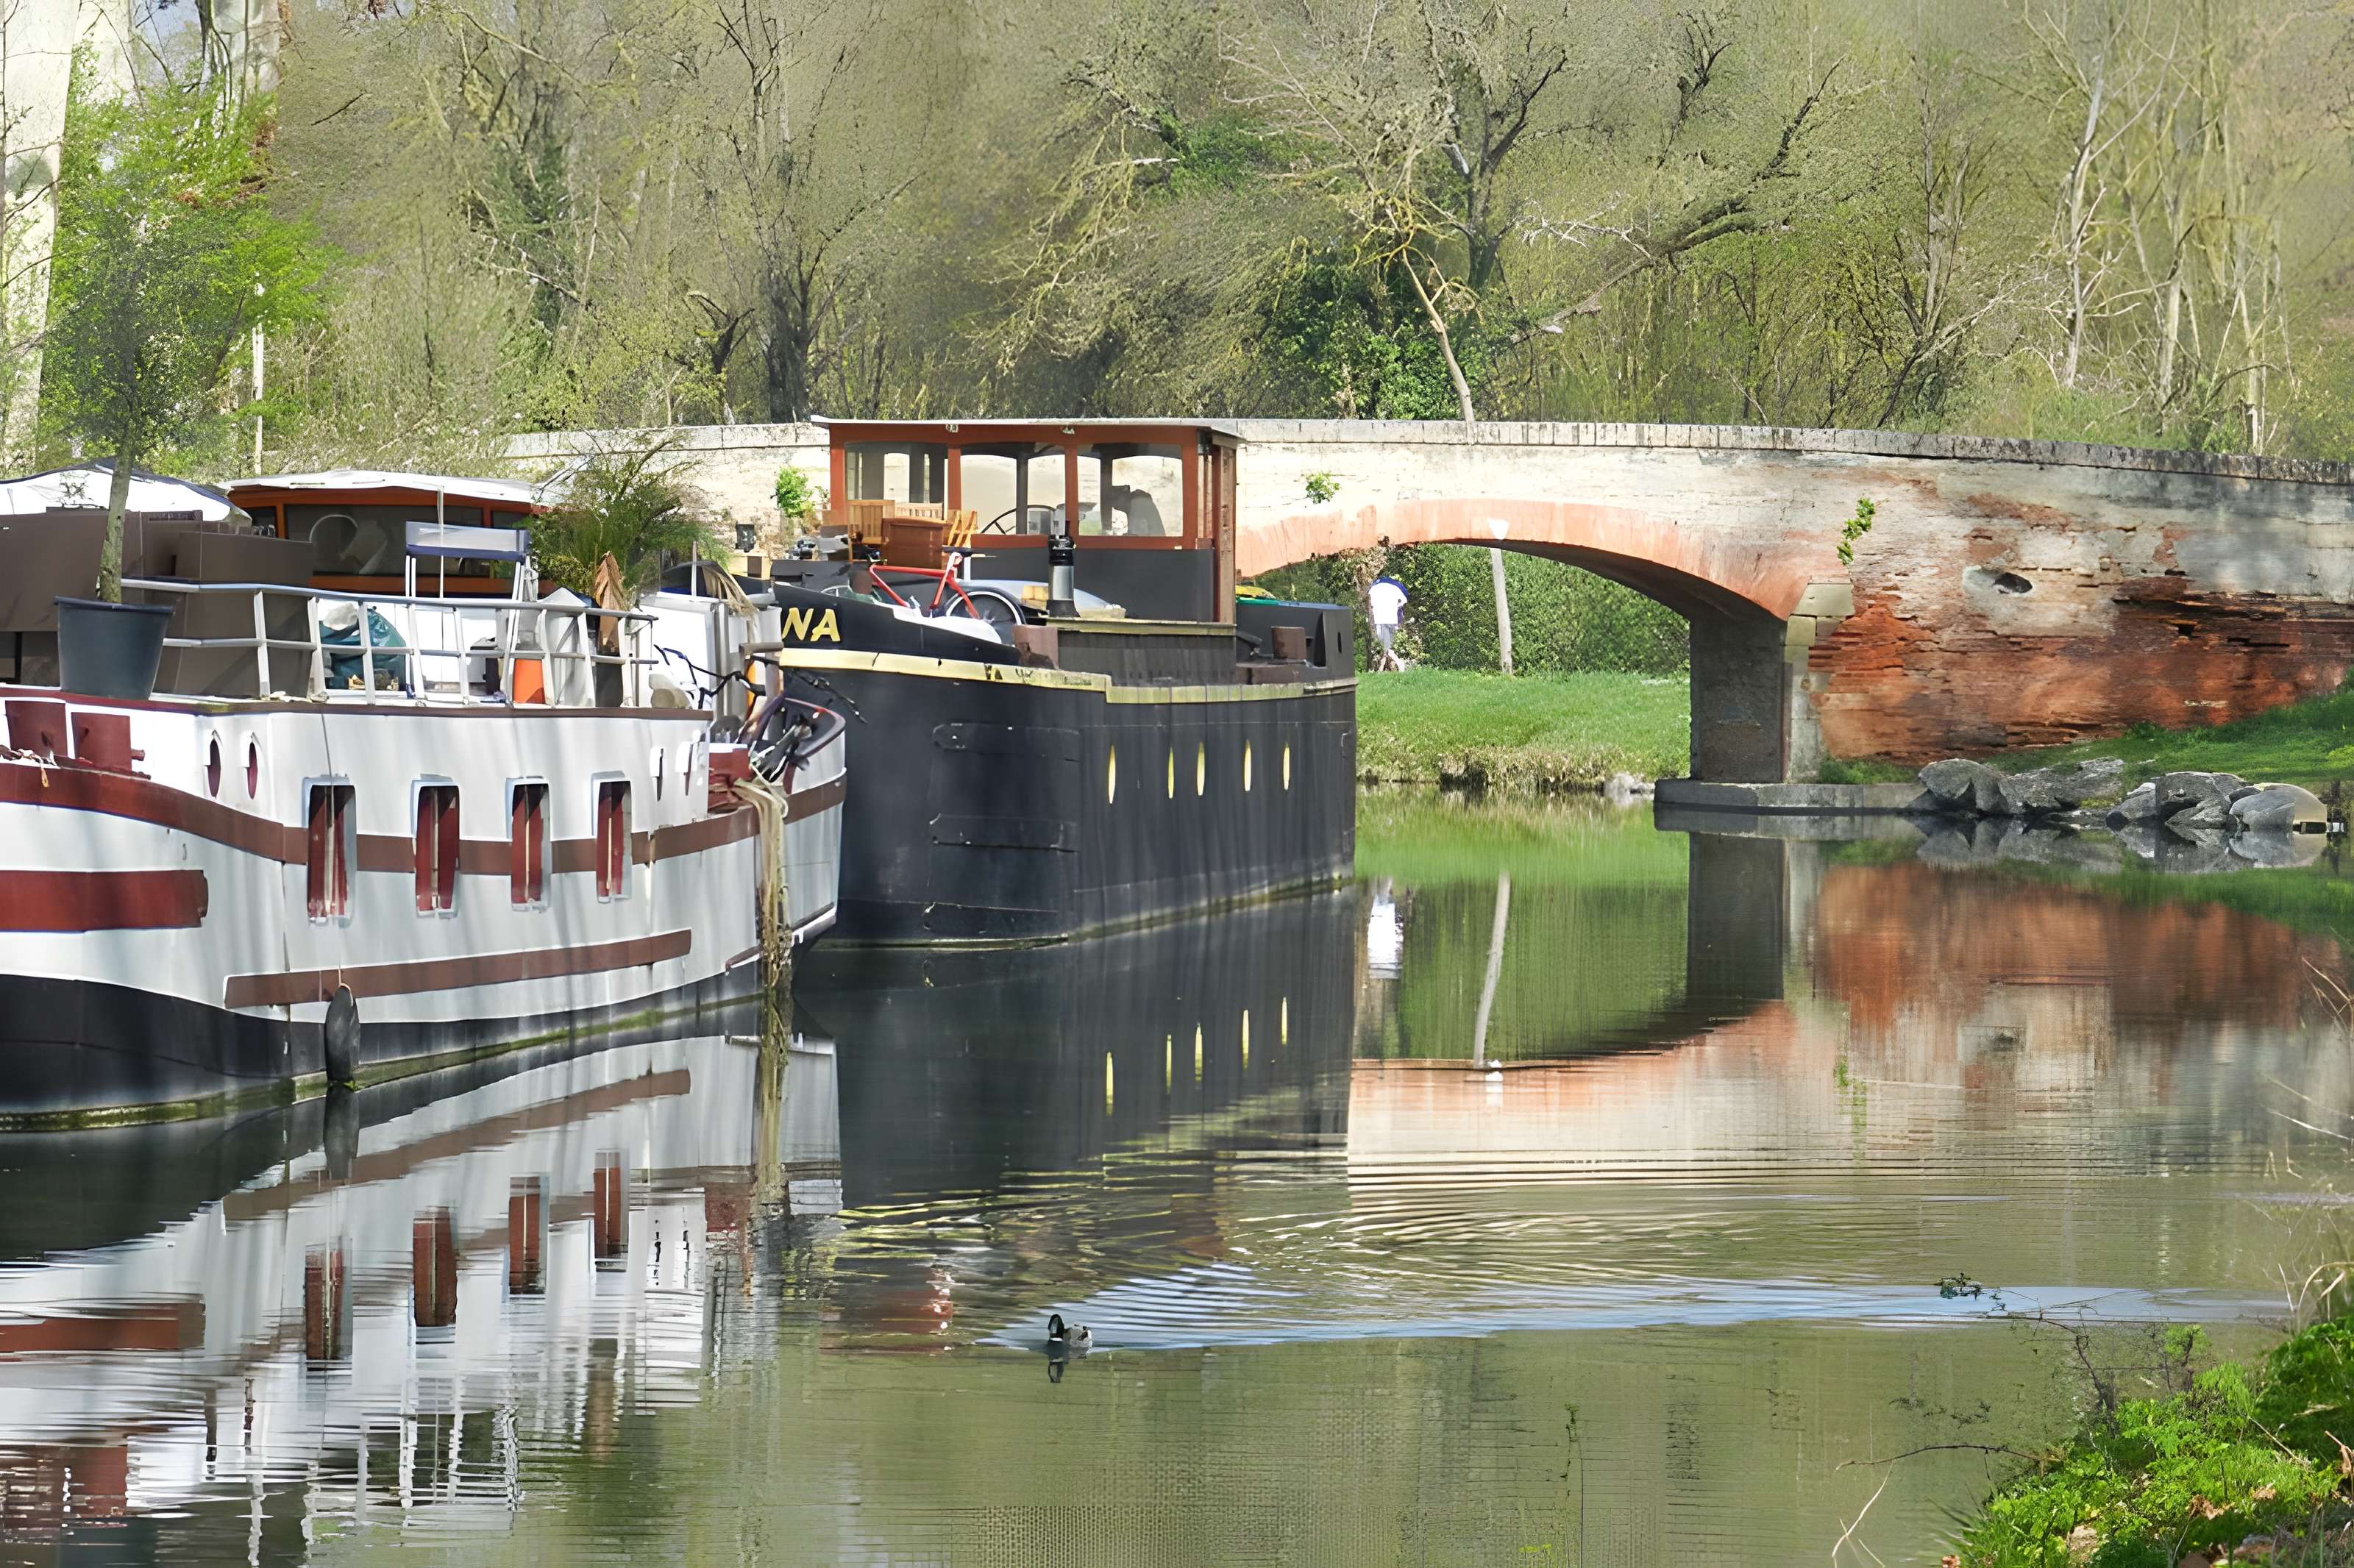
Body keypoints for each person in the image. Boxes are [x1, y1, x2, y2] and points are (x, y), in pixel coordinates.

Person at [1368, 574, 1409, 669]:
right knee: (1385, 647)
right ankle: (1384, 668)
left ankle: (1398, 664)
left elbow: (1371, 604)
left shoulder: (1374, 589)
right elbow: (1404, 600)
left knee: (1384, 646)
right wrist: (1398, 605)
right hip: (1391, 620)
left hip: (1380, 621)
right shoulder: (1395, 588)